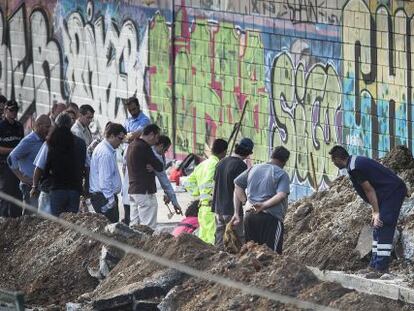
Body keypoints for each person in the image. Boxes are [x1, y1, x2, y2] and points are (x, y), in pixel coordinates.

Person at [329, 145, 407, 277]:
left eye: (333, 160)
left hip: (392, 192)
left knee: (383, 223)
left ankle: (381, 268)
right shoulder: (354, 163)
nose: (333, 163)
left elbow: (369, 190)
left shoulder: (354, 168)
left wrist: (376, 213)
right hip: (385, 193)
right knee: (377, 226)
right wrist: (374, 211)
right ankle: (374, 265)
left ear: (337, 158)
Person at [232, 146, 290, 254]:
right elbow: (281, 195)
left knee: (251, 252)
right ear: (284, 161)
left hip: (250, 216)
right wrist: (263, 205)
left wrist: (245, 202)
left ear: (272, 156)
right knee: (272, 256)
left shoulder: (254, 168)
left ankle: (252, 271)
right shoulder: (281, 174)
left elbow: (237, 185)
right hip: (270, 218)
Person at [31, 113, 86, 216]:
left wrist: (34, 186)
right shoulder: (81, 143)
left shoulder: (51, 142)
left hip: (56, 189)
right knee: (70, 224)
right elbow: (87, 166)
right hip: (74, 190)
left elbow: (39, 167)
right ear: (71, 125)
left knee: (52, 225)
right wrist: (86, 187)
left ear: (56, 125)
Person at [184, 139, 228, 244]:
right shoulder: (217, 165)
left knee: (203, 240)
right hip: (212, 209)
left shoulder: (202, 165)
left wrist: (199, 193)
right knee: (213, 240)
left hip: (202, 209)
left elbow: (187, 183)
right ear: (224, 152)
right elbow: (211, 183)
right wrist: (210, 196)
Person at [213, 138, 254, 248]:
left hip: (218, 209)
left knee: (219, 238)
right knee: (238, 238)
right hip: (232, 210)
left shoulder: (220, 163)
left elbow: (215, 185)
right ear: (247, 153)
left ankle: (217, 261)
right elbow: (239, 188)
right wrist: (246, 203)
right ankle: (237, 262)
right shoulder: (240, 165)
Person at [7, 115, 51, 211]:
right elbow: (11, 158)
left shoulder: (45, 141)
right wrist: (22, 177)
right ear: (38, 125)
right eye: (47, 127)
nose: (49, 129)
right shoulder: (29, 140)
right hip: (29, 187)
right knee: (30, 218)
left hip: (41, 186)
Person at [127, 124, 163, 229]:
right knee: (148, 227)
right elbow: (159, 166)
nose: (156, 141)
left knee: (134, 226)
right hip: (144, 191)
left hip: (133, 190)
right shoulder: (144, 146)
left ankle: (131, 245)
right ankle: (146, 245)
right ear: (151, 134)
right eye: (157, 137)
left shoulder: (132, 145)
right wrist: (154, 166)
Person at [121, 96, 151, 224]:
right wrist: (128, 137)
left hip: (137, 157)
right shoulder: (128, 121)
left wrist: (128, 136)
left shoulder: (144, 120)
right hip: (127, 156)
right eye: (130, 110)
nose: (132, 112)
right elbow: (124, 136)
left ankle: (134, 220)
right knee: (127, 190)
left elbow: (134, 135)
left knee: (133, 189)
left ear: (138, 107)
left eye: (134, 109)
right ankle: (130, 219)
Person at [89, 123, 126, 223]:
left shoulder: (108, 150)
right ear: (111, 136)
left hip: (105, 196)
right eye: (120, 138)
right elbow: (105, 179)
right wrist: (110, 200)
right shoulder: (105, 153)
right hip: (104, 197)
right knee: (110, 228)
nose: (121, 142)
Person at [0, 100, 24, 217]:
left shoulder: (19, 126)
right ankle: (3, 219)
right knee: (6, 193)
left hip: (17, 165)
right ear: (5, 110)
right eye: (11, 110)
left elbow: (22, 144)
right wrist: (13, 151)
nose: (14, 113)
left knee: (17, 193)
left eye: (16, 110)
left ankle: (16, 220)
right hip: (4, 165)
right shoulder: (1, 126)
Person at [152, 135, 182, 215]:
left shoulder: (144, 149)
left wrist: (167, 194)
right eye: (165, 150)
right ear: (161, 146)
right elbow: (164, 180)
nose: (164, 153)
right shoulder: (155, 156)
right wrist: (175, 202)